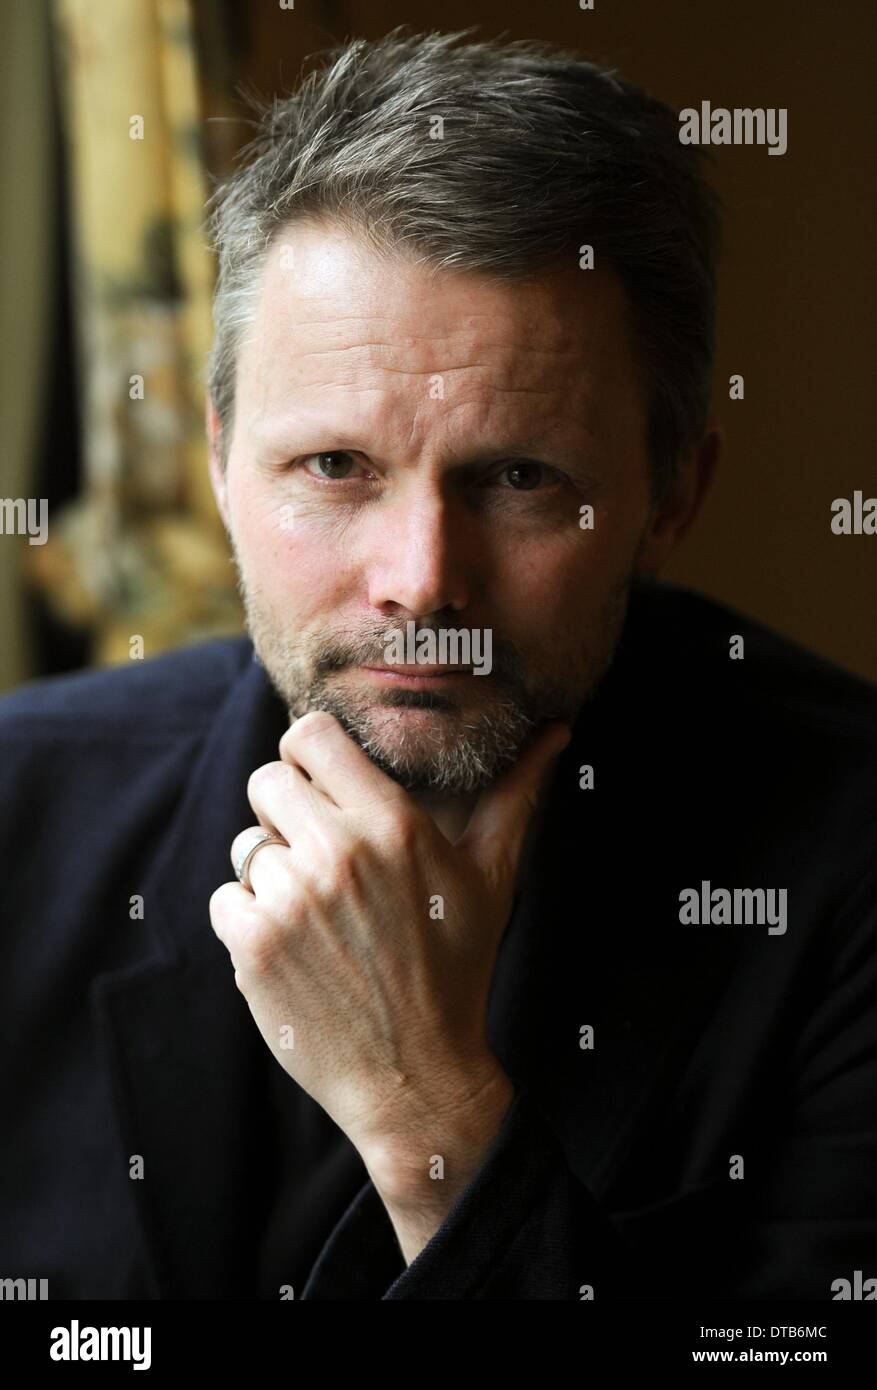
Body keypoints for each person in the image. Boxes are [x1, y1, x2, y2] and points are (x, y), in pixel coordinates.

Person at [2, 28, 875, 1301]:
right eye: (335, 468)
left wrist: (429, 1117)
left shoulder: (848, 869)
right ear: (219, 462)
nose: (421, 576)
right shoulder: (19, 814)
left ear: (671, 496)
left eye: (520, 478)